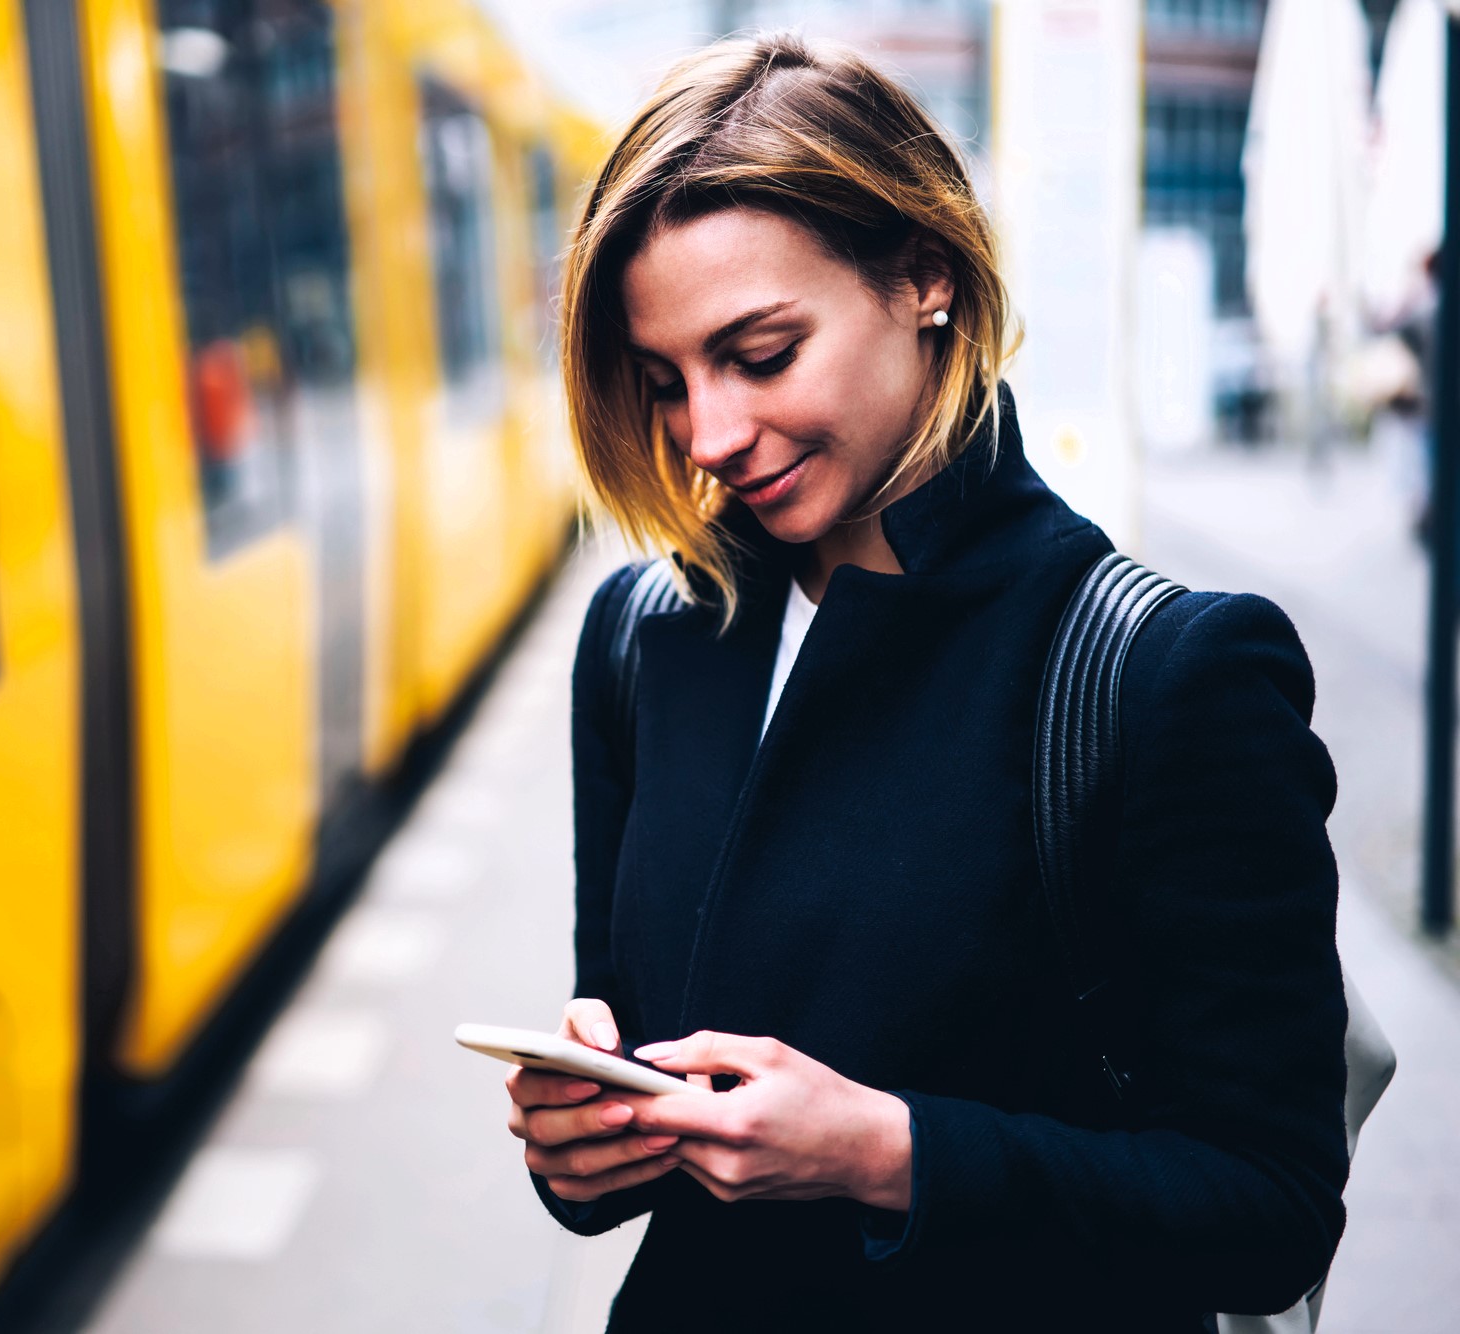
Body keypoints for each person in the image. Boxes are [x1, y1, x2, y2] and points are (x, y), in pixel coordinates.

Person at [502, 34, 1349, 1332]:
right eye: (666, 381)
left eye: (762, 353)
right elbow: (625, 1133)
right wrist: (584, 1146)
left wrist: (888, 1153)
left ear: (927, 278)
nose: (709, 438)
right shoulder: (641, 636)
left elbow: (1270, 1202)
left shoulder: (1158, 670)